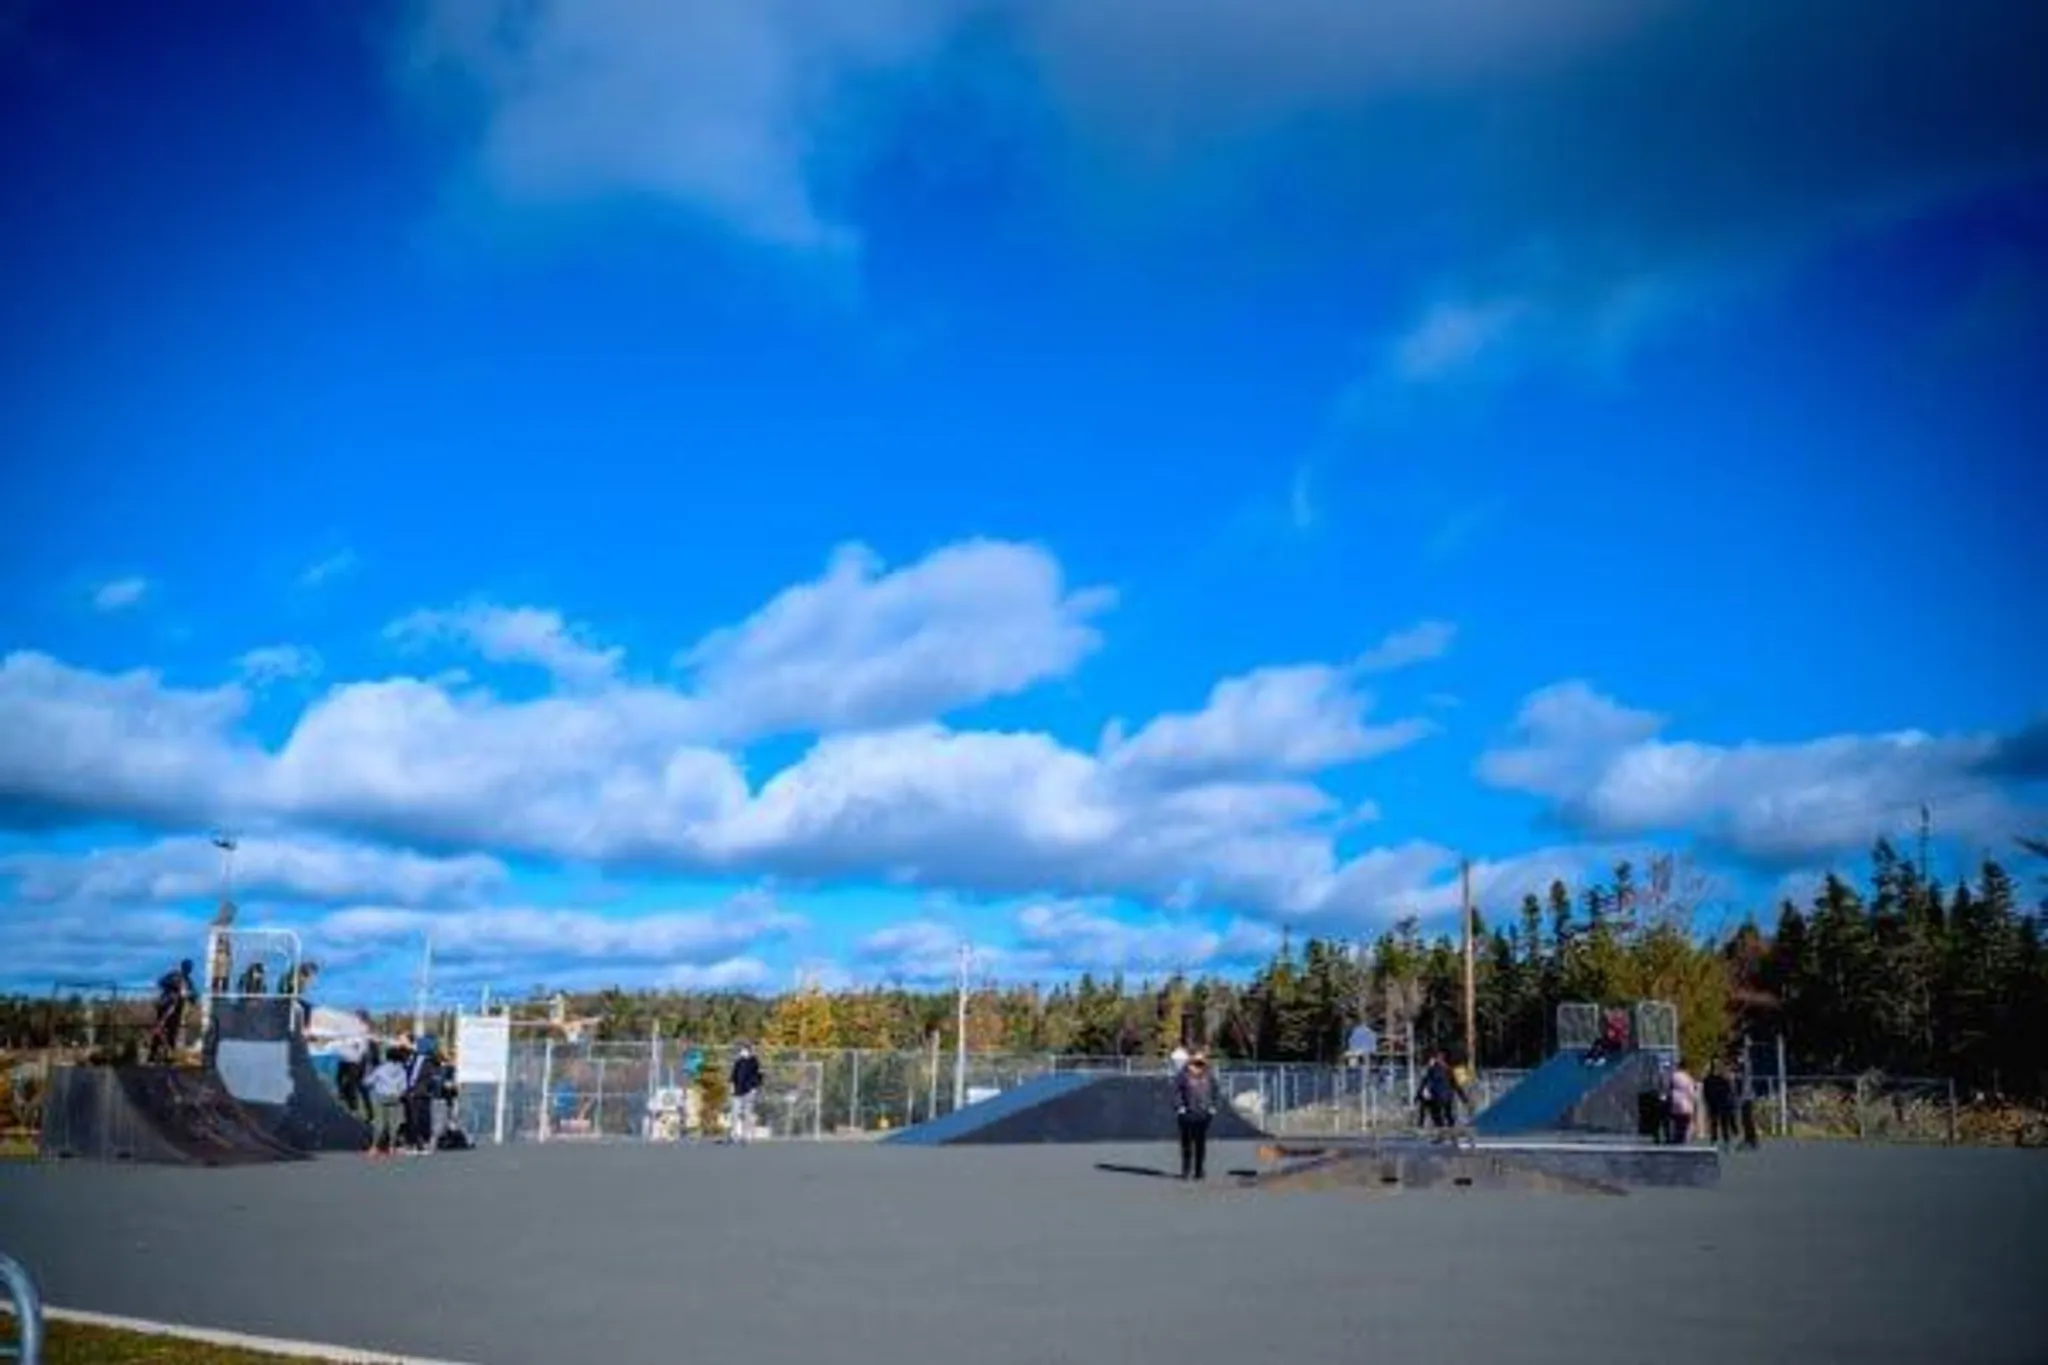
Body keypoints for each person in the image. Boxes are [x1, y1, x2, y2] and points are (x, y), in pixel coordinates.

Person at [1173, 1051, 1221, 1180]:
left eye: (1201, 1061)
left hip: (1203, 1113)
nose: (1199, 1063)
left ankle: (1199, 1171)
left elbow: (1215, 1090)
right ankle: (1186, 1170)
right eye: (1196, 1060)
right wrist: (1179, 1106)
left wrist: (1213, 1106)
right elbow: (1176, 1091)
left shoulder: (1209, 1074)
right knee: (1187, 1144)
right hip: (1187, 1114)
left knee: (1200, 1144)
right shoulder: (1183, 1075)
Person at [149, 960, 196, 1063]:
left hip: (177, 1010)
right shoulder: (174, 975)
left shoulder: (189, 981)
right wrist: (175, 987)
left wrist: (189, 994)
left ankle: (169, 1056)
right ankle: (152, 1054)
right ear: (183, 967)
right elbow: (161, 982)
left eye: (190, 968)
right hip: (166, 1007)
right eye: (187, 967)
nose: (188, 970)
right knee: (159, 1029)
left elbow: (194, 996)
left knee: (172, 1033)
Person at [365, 1046, 409, 1158]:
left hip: (381, 1096)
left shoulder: (381, 1068)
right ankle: (391, 1147)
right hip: (395, 1097)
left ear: (387, 1056)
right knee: (394, 1124)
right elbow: (404, 1087)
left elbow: (368, 1081)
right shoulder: (402, 1070)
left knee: (380, 1123)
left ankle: (374, 1147)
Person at [729, 1044, 763, 1144]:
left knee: (747, 1114)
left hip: (748, 1091)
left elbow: (758, 1076)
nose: (742, 1052)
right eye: (741, 1050)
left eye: (744, 1050)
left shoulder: (754, 1062)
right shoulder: (738, 1062)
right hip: (737, 1092)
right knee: (735, 1113)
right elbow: (733, 1075)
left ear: (749, 1051)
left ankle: (746, 1135)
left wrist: (754, 1088)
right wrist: (732, 1086)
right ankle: (734, 1134)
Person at [333, 1030, 370, 1121]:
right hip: (345, 1061)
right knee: (340, 1079)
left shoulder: (361, 1039)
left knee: (353, 1085)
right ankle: (346, 1098)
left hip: (354, 1063)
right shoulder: (347, 1037)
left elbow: (362, 1052)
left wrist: (360, 1067)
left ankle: (355, 1108)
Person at [1702, 1061, 1738, 1148]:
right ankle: (1715, 1139)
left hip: (1722, 1103)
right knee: (1715, 1122)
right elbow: (1706, 1092)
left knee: (1723, 1123)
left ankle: (1725, 1140)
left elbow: (1729, 1090)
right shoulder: (1709, 1079)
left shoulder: (1722, 1079)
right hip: (1714, 1103)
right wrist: (1707, 1101)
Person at [1666, 1060, 1698, 1145]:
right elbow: (1691, 1093)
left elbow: (1669, 1088)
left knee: (1677, 1125)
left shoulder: (1673, 1076)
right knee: (1684, 1125)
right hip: (1686, 1105)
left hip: (1675, 1103)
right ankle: (1682, 1142)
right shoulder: (1688, 1078)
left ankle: (1676, 1140)